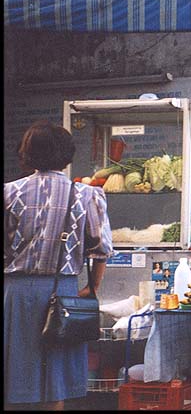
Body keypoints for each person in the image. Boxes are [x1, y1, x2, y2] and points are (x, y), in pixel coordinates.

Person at [4, 121, 113, 411]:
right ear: (67, 154)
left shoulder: (9, 193)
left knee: (14, 371)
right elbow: (101, 250)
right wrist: (92, 287)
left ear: (27, 153)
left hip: (15, 293)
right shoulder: (86, 195)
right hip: (64, 291)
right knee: (56, 379)